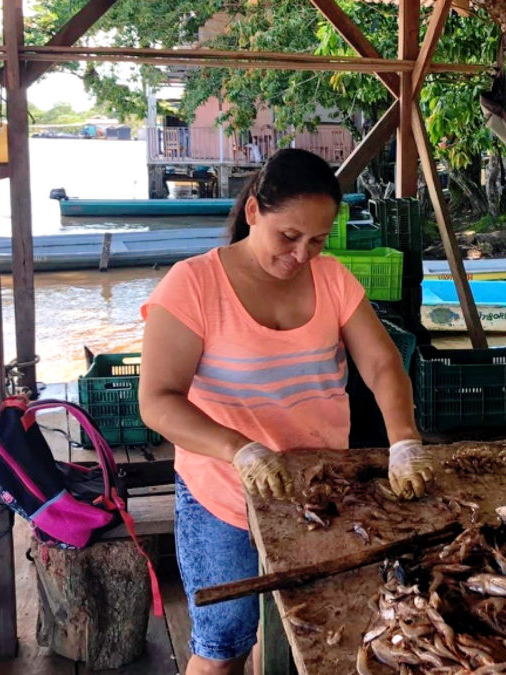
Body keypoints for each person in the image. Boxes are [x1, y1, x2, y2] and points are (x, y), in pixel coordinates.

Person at [138, 148, 432, 675]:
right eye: (288, 236)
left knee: (301, 629)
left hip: (318, 491)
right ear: (253, 212)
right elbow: (157, 401)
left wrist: (404, 439)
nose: (301, 255)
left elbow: (383, 364)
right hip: (222, 492)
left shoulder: (334, 280)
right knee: (221, 643)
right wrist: (239, 449)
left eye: (317, 240)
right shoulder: (193, 285)